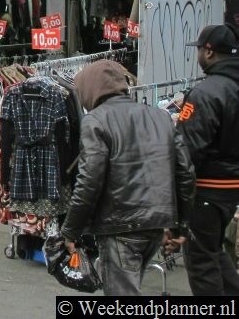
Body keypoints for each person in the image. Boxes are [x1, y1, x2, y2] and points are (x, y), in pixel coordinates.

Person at [61, 60, 194, 296]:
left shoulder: (96, 120)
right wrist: (179, 225)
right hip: (155, 224)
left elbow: (89, 180)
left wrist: (71, 230)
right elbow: (185, 173)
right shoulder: (160, 117)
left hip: (120, 226)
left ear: (90, 89)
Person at [177, 24, 239, 295]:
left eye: (200, 50)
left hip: (207, 189)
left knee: (201, 262)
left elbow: (187, 150)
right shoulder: (229, 87)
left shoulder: (206, 93)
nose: (198, 55)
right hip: (230, 189)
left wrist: (177, 195)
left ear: (210, 52)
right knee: (212, 251)